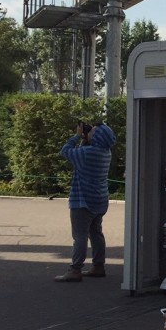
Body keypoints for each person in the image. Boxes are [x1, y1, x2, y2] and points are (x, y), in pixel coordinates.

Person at [55, 121, 116, 282]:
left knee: (80, 236)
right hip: (100, 200)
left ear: (97, 137)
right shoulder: (105, 152)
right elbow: (83, 150)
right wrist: (87, 137)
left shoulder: (87, 153)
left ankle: (75, 270)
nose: (88, 132)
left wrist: (77, 136)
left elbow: (65, 151)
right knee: (96, 233)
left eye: (92, 131)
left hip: (83, 201)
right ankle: (98, 266)